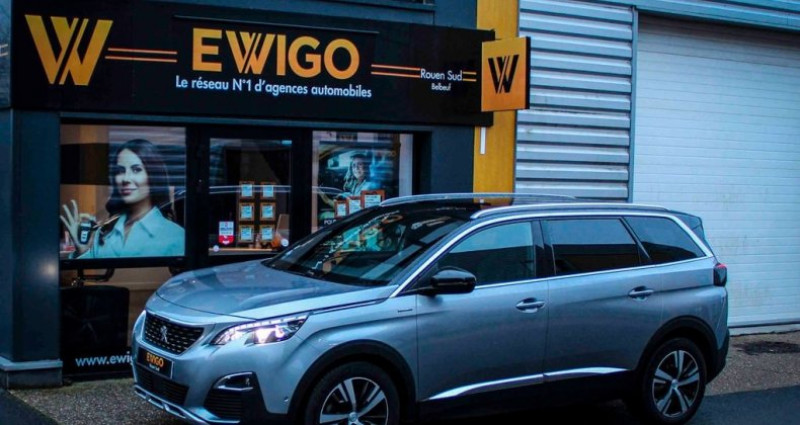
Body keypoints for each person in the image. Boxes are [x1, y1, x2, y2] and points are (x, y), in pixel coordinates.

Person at [60, 139, 184, 258]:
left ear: (152, 175)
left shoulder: (176, 236)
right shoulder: (103, 232)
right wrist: (82, 251)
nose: (125, 178)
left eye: (136, 170)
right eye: (120, 171)